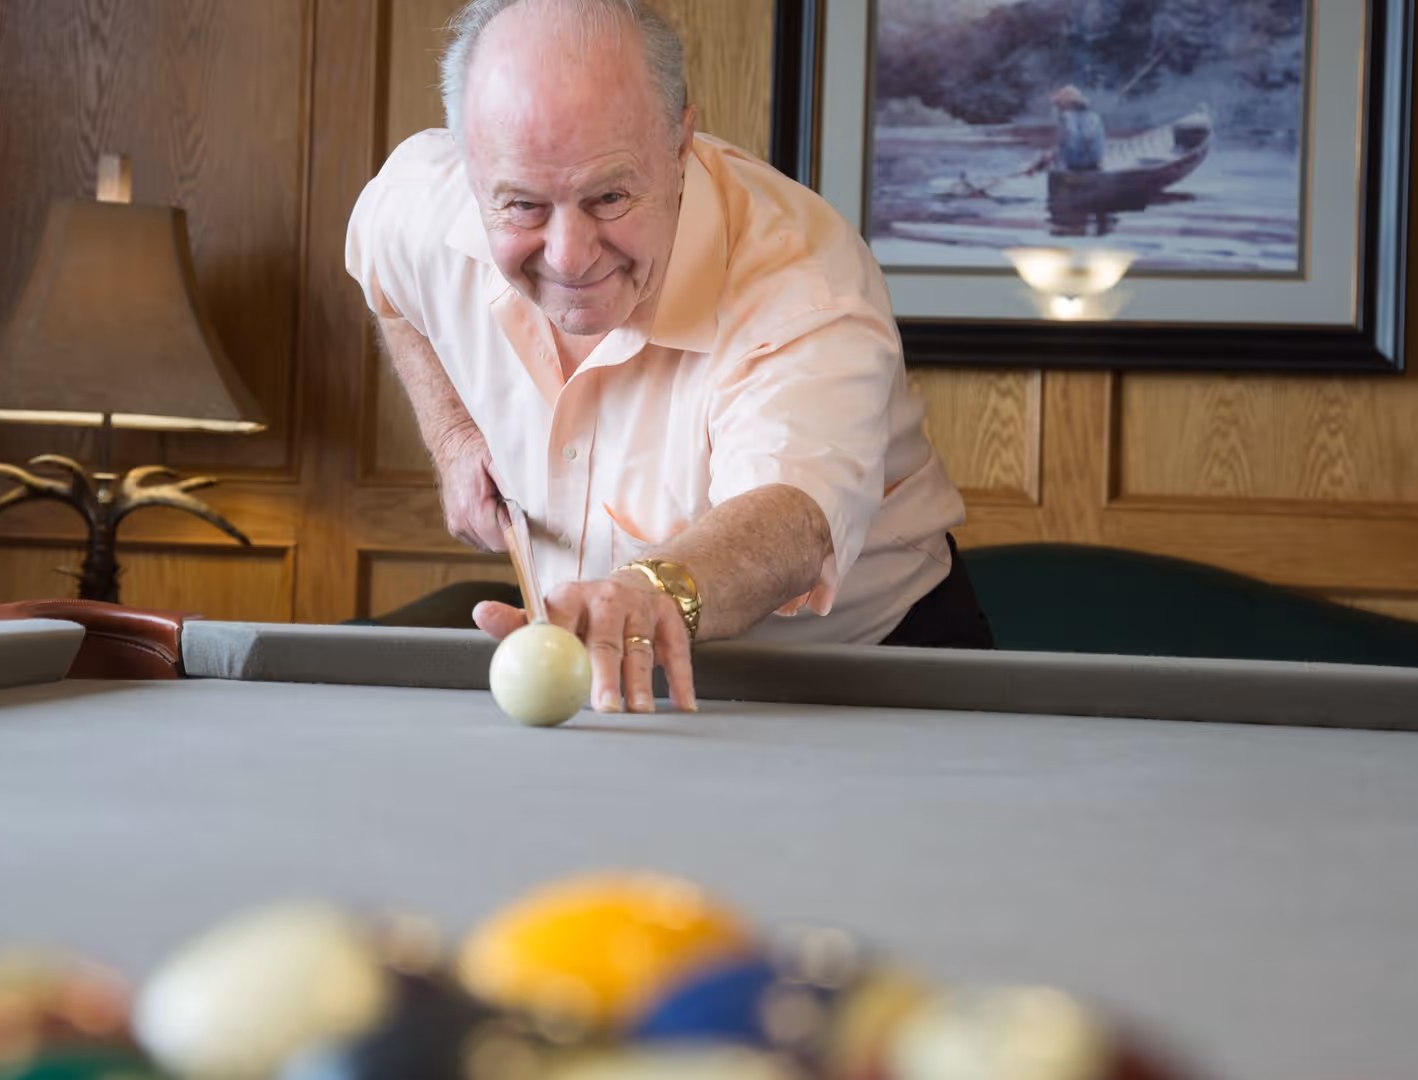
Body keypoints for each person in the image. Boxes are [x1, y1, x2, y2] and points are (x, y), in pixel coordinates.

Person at [344, 0, 988, 717]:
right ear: (472, 166)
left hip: (865, 683)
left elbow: (791, 519)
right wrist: (453, 437)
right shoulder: (420, 202)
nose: (569, 256)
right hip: (609, 676)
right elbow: (386, 280)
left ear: (681, 143)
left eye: (610, 196)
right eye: (524, 206)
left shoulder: (804, 283)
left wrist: (650, 594)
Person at [1051, 85, 1106, 171]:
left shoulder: (1067, 118)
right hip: (1095, 165)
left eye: (1059, 105)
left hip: (1075, 167)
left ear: (1068, 104)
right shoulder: (1094, 117)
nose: (1058, 109)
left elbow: (1070, 144)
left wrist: (1053, 158)